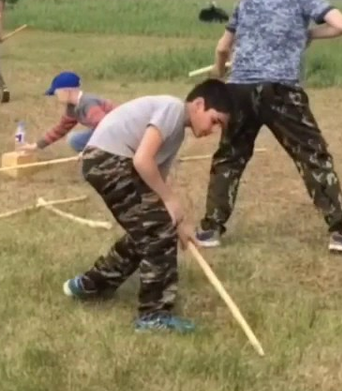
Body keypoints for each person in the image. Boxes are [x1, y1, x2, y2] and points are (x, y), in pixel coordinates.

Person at [195, 0, 342, 255]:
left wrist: (219, 70)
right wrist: (309, 33)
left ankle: (209, 229)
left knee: (230, 157)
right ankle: (341, 231)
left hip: (239, 88)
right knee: (312, 156)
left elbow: (222, 46)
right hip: (281, 89)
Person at [62, 79, 235, 333]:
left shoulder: (175, 133)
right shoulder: (173, 110)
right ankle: (153, 315)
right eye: (215, 120)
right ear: (199, 104)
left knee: (149, 227)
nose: (213, 130)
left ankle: (90, 284)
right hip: (107, 160)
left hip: (110, 161)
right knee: (156, 230)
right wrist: (170, 201)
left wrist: (179, 223)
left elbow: (154, 182)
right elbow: (143, 161)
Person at [18, 71, 115, 154]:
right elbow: (61, 128)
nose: (56, 96)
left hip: (117, 133)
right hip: (104, 131)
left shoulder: (88, 104)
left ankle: (113, 156)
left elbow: (106, 128)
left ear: (66, 92)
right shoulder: (72, 106)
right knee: (74, 139)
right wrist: (36, 146)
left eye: (56, 93)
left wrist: (92, 150)